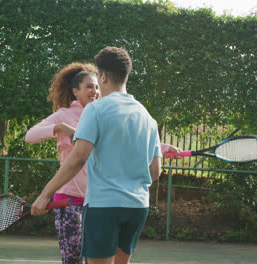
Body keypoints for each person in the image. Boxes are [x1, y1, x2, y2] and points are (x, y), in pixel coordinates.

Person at [31, 47, 180, 264]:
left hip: (104, 207)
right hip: (138, 208)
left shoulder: (95, 110)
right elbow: (155, 172)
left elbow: (79, 157)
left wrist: (45, 194)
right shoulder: (148, 118)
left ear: (103, 76)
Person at [25, 62, 99, 264]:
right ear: (76, 91)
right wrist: (60, 127)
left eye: (97, 86)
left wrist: (162, 148)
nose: (95, 91)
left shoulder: (102, 115)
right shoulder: (63, 115)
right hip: (68, 202)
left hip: (99, 202)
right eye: (90, 87)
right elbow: (30, 136)